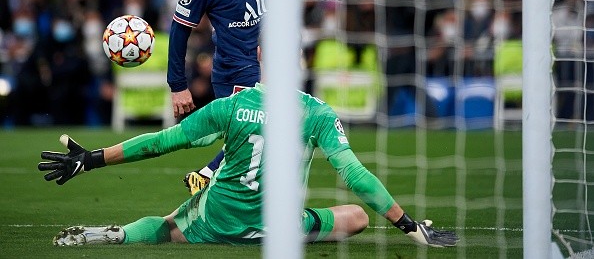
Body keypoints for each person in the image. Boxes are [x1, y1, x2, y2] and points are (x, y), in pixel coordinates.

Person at [38, 46, 459, 248]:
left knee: (168, 227)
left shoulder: (231, 105)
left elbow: (160, 143)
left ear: (259, 55)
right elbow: (353, 175)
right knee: (355, 217)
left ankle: (118, 235)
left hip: (218, 220)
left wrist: (92, 159)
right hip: (279, 227)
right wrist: (406, 224)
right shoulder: (316, 113)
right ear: (300, 60)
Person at [168, 0, 375, 182]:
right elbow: (179, 31)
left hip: (268, 64)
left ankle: (207, 176)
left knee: (262, 144)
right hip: (235, 71)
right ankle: (208, 178)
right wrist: (178, 85)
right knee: (262, 141)